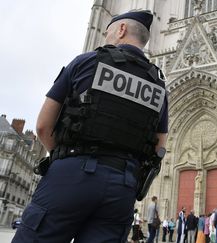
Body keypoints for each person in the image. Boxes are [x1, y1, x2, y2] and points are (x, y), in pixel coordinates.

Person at [12, 10, 168, 243]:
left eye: (108, 33)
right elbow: (160, 147)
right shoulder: (158, 84)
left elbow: (44, 126)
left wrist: (65, 158)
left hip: (71, 173)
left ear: (122, 30)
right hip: (122, 185)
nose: (106, 38)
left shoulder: (86, 62)